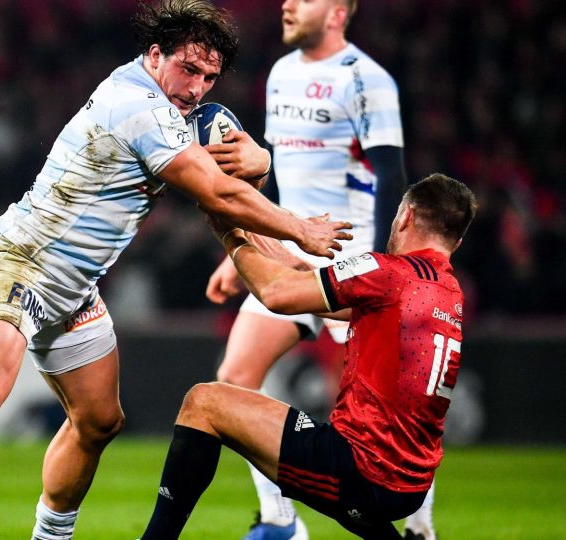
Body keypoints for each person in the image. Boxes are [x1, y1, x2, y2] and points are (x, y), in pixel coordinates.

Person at [0, 1, 352, 539]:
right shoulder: (137, 105)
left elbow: (230, 191)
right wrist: (298, 228)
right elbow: (216, 190)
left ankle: (51, 537)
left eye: (210, 77)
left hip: (72, 288)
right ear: (155, 54)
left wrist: (261, 164)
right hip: (23, 262)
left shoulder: (179, 112)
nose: (196, 87)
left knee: (98, 420)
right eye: (188, 70)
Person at [202, 1, 434, 537]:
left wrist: (387, 269)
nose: (286, 4)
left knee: (388, 407)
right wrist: (247, 251)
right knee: (234, 378)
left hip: (354, 260)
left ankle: (421, 529)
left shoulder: (367, 80)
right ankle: (280, 520)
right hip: (292, 252)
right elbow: (281, 174)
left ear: (337, 11)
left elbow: (391, 175)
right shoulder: (282, 75)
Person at [141, 173, 476, 540]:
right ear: (456, 242)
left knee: (204, 403)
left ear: (406, 217)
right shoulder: (447, 293)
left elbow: (277, 294)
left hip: (360, 469)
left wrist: (229, 236)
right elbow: (313, 286)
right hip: (408, 483)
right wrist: (256, 234)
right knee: (350, 484)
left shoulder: (386, 273)